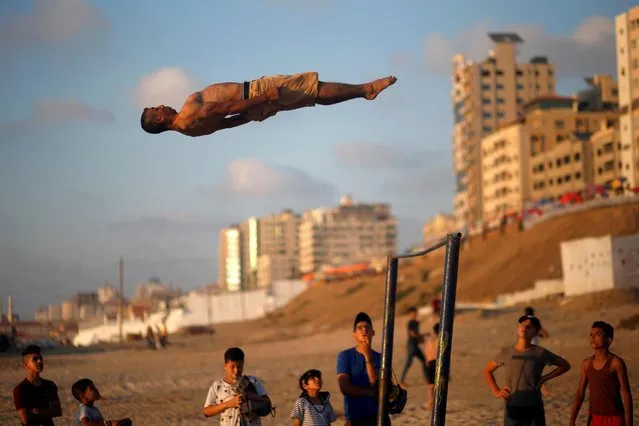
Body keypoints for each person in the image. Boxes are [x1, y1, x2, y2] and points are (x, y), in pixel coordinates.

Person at [140, 72, 397, 137]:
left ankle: (364, 91)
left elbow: (226, 126)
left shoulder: (189, 130)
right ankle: (366, 90)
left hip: (254, 102)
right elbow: (225, 111)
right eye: (156, 109)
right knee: (311, 88)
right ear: (159, 119)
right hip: (255, 92)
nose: (161, 105)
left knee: (311, 95)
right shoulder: (188, 116)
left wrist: (253, 115)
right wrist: (264, 98)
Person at [483, 314, 571, 426]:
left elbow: (565, 365)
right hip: (512, 407)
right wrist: (496, 391)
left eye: (529, 326)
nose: (524, 327)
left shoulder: (540, 352)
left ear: (535, 333)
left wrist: (544, 378)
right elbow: (487, 370)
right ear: (518, 328)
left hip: (534, 407)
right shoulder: (505, 352)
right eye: (522, 324)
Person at [569, 321, 633, 426]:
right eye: (591, 334)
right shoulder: (586, 363)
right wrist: (572, 420)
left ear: (608, 340)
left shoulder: (616, 363)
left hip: (614, 417)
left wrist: (629, 422)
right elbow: (580, 392)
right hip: (594, 417)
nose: (593, 337)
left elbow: (626, 393)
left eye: (597, 335)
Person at [336, 312, 389, 426]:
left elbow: (377, 386)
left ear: (373, 333)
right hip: (356, 418)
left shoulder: (381, 358)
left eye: (367, 327)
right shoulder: (345, 356)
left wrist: (368, 357)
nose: (364, 329)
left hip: (378, 416)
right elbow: (344, 388)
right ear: (354, 334)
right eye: (360, 327)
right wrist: (369, 393)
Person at [203, 347, 271, 425]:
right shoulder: (218, 386)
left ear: (243, 365)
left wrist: (251, 396)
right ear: (225, 366)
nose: (236, 371)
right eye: (232, 367)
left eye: (239, 367)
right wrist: (229, 404)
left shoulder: (253, 381)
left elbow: (268, 403)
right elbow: (207, 412)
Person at [12, 344, 62, 425]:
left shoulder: (50, 385)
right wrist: (49, 410)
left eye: (40, 358)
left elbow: (58, 411)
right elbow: (26, 419)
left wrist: (38, 412)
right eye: (35, 359)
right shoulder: (20, 389)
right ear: (26, 365)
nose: (39, 361)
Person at [399, 307, 430, 387]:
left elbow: (415, 333)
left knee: (424, 361)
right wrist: (422, 335)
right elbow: (413, 333)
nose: (415, 315)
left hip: (415, 345)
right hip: (411, 346)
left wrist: (420, 339)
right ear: (410, 314)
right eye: (413, 313)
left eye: (415, 313)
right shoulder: (411, 323)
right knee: (409, 363)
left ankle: (427, 379)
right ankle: (401, 381)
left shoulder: (416, 322)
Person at [424, 323, 441, 410]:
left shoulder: (430, 341)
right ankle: (435, 403)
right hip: (437, 362)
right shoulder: (440, 341)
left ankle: (430, 401)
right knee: (438, 384)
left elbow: (426, 353)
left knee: (431, 385)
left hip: (429, 363)